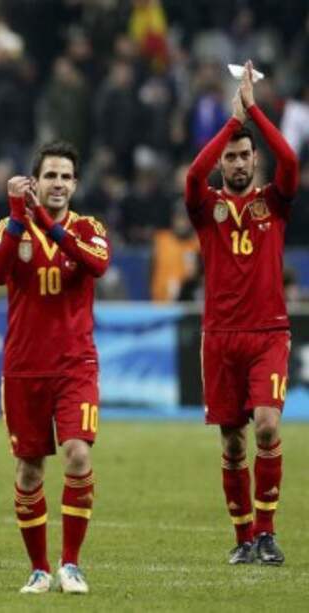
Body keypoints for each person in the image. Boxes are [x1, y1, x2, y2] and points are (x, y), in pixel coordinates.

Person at [184, 61, 298, 566]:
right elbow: (191, 173)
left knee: (269, 427)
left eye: (245, 154)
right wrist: (231, 123)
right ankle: (244, 537)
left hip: (269, 333)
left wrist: (253, 111)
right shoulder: (205, 208)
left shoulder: (274, 203)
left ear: (255, 160)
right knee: (232, 442)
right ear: (222, 163)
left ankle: (268, 533)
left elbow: (291, 160)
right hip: (220, 337)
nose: (237, 162)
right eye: (230, 157)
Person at [0, 141, 110, 594]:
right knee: (29, 470)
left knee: (78, 453)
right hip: (23, 368)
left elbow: (96, 264)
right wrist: (21, 219)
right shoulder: (8, 226)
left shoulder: (89, 228)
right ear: (35, 181)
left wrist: (41, 220)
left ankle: (71, 564)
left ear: (75, 184)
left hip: (75, 365)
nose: (57, 184)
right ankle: (39, 569)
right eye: (50, 176)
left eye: (65, 177)